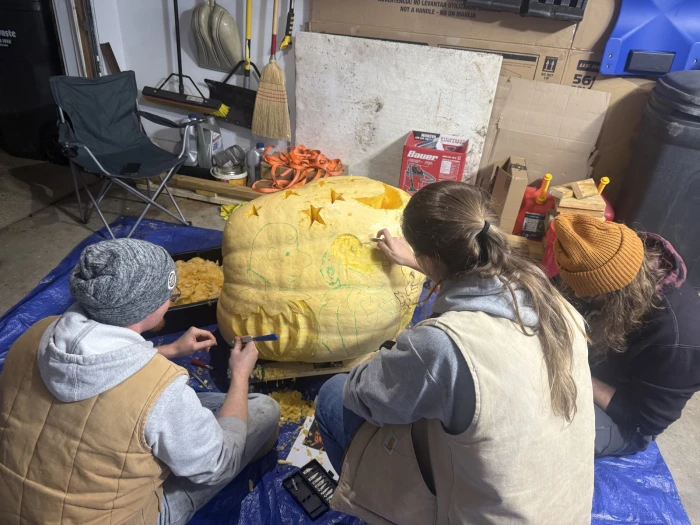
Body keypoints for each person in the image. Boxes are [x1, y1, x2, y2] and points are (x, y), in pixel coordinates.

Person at [316, 182, 595, 525]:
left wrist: (384, 361)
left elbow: (365, 396)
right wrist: (420, 263)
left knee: (334, 394)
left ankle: (372, 507)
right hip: (564, 511)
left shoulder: (441, 345)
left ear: (430, 260)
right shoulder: (556, 304)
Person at [0, 239, 279, 525]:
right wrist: (240, 375)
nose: (171, 301)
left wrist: (169, 350)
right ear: (147, 306)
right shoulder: (163, 390)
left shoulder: (36, 333)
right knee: (263, 410)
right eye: (171, 295)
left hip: (10, 506)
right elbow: (217, 465)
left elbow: (93, 367)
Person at [552, 214, 700, 457]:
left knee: (542, 426)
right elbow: (561, 289)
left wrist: (575, 373)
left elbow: (644, 421)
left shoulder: (678, 342)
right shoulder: (613, 258)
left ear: (618, 294)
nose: (579, 297)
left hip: (627, 420)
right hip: (603, 364)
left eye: (588, 295)